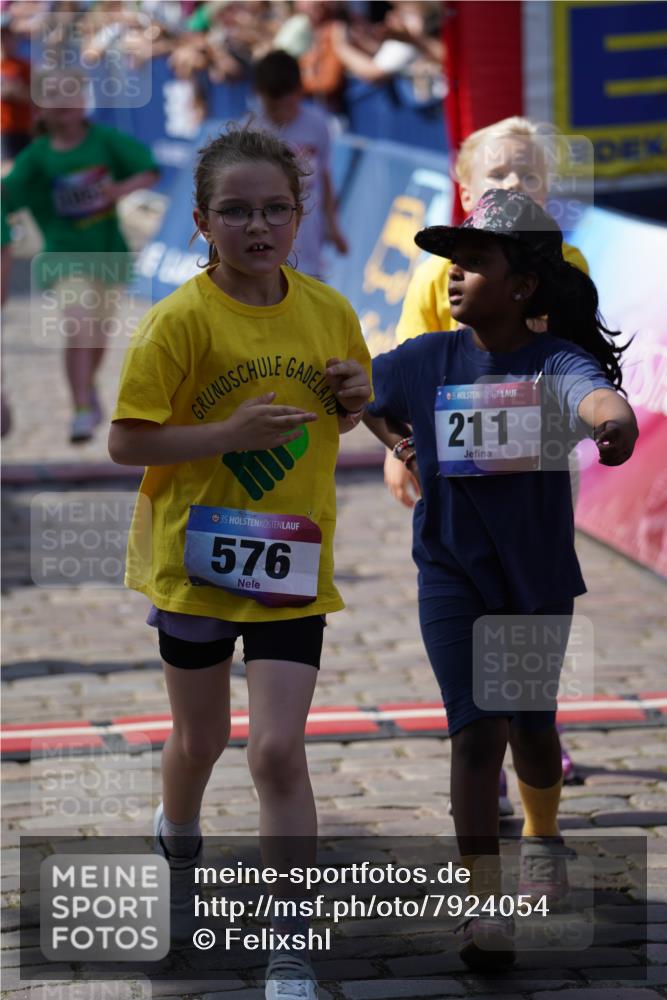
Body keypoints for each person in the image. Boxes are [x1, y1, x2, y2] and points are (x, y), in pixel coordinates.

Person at [108, 125, 372, 1000]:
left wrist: (357, 401)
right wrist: (224, 435)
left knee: (276, 753)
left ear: (299, 216)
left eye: (273, 210)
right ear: (200, 221)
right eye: (235, 211)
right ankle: (175, 817)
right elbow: (125, 441)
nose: (256, 226)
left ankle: (288, 943)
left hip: (291, 563)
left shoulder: (330, 309)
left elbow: (339, 417)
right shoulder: (176, 322)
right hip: (197, 561)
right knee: (202, 738)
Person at [364, 188, 638, 970]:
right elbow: (355, 393)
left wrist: (609, 426)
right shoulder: (423, 360)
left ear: (521, 285)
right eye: (449, 263)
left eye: (472, 262)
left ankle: (543, 833)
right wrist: (399, 439)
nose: (452, 276)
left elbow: (592, 395)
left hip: (536, 577)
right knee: (477, 729)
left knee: (531, 728)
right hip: (451, 572)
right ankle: (483, 907)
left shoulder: (551, 358)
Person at [388, 117, 588, 813]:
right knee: (474, 682)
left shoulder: (568, 269)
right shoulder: (433, 276)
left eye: (527, 174)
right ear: (463, 187)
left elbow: (581, 361)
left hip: (537, 483)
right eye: (496, 175)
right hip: (457, 490)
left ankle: (535, 733)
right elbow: (405, 373)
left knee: (527, 643)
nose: (512, 185)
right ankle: (488, 752)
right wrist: (403, 452)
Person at [1, 69, 158, 443]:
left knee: (97, 337)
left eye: (70, 93)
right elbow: (6, 197)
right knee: (79, 326)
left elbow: (149, 169)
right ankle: (81, 408)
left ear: (84, 100)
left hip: (108, 254)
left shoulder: (104, 142)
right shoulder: (37, 157)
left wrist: (117, 191)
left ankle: (86, 385)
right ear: (40, 107)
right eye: (53, 94)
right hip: (63, 256)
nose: (63, 101)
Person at [249, 48, 348, 281]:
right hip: (266, 235)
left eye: (290, 103)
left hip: (307, 235)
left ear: (299, 92)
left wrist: (333, 226)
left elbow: (324, 175)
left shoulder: (316, 124)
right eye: (275, 107)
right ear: (260, 95)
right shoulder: (251, 130)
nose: (284, 113)